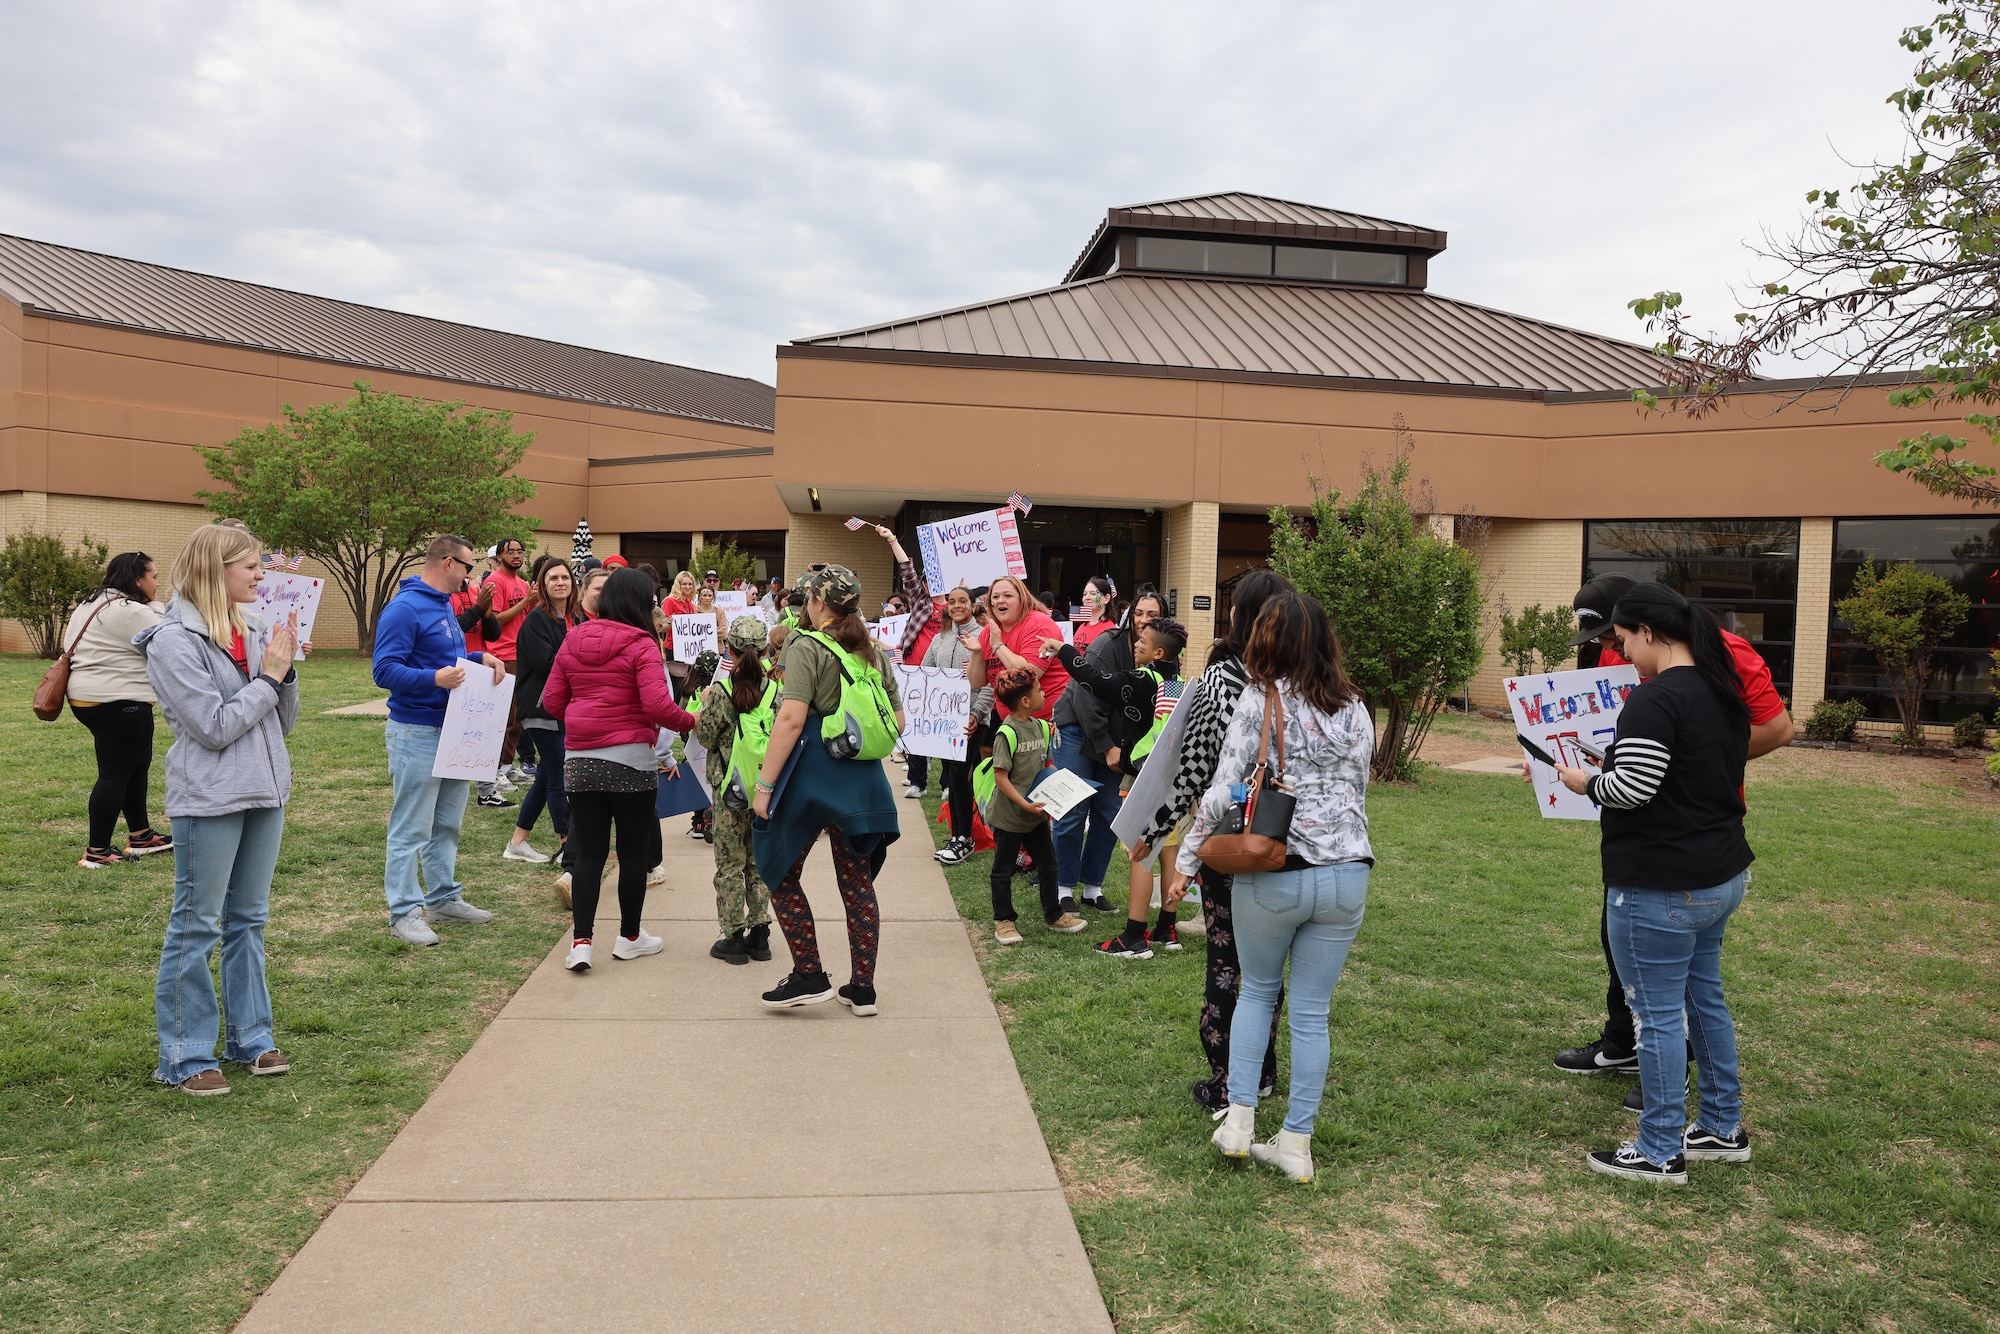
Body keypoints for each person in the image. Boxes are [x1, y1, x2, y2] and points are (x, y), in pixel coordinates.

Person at [1550, 573, 1794, 1115]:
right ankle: (1720, 1124)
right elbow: (1647, 756)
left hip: (1666, 864)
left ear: (1647, 628)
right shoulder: (1706, 683)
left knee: (1659, 1008)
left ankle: (1660, 1143)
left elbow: (1639, 781)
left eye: (1620, 641)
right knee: (1700, 997)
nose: (1616, 655)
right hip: (1714, 859)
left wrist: (1588, 781)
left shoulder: (1672, 685)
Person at [1189, 592, 1374, 1185]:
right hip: (1347, 872)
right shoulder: (1356, 708)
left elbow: (1224, 791)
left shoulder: (1257, 698)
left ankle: (1239, 1119)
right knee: (1313, 1013)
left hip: (1277, 869)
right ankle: (1296, 1141)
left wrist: (1189, 855)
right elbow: (1359, 785)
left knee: (1258, 992)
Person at [135, 524, 301, 1096]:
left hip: (265, 792)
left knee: (248, 921)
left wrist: (287, 668)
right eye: (251, 567)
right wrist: (270, 678)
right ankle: (185, 1054)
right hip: (209, 798)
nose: (262, 576)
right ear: (216, 569)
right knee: (196, 924)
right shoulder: (172, 640)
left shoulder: (250, 628)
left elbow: (280, 722)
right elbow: (214, 727)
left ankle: (251, 1039)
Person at [1134, 568, 1292, 1112]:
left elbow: (1192, 772)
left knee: (1227, 962)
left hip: (1229, 843)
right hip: (1288, 844)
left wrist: (1152, 834)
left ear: (1240, 616)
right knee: (1267, 966)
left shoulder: (1223, 681)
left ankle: (1228, 1077)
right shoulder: (1302, 681)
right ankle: (1264, 1070)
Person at [751, 564, 904, 1014]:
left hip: (813, 779)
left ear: (817, 602)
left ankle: (809, 973)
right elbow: (899, 721)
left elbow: (791, 718)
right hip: (863, 784)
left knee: (778, 870)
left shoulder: (805, 645)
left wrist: (764, 786)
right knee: (857, 885)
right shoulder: (871, 649)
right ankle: (863, 989)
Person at [541, 568, 698, 971]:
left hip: (580, 762)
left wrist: (584, 715)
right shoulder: (641, 643)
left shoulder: (573, 637)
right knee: (632, 855)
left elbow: (552, 702)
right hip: (631, 763)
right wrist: (694, 721)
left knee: (589, 854)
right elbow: (658, 707)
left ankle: (581, 943)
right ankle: (630, 937)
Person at [371, 534, 506, 947]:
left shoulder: (445, 605)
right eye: (468, 568)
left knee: (446, 823)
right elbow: (384, 671)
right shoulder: (405, 608)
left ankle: (443, 898)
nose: (472, 577)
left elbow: (440, 658)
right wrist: (434, 679)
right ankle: (404, 912)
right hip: (417, 731)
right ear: (448, 563)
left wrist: (475, 659)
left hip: (451, 731)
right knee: (411, 827)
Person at [1044, 615, 1190, 957]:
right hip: (1173, 778)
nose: (1135, 643)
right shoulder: (1176, 683)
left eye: (1143, 640)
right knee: (1169, 849)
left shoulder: (1142, 680)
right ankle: (1167, 928)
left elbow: (1094, 680)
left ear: (1157, 653)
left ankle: (1134, 935)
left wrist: (1063, 649)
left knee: (1141, 850)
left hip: (1145, 777)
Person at [1049, 589, 1165, 914]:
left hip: (1118, 743)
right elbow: (1086, 697)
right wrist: (1107, 747)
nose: (1144, 620)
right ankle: (1062, 888)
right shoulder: (1107, 645)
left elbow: (1161, 708)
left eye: (1152, 615)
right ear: (1130, 615)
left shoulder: (1162, 655)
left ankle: (1092, 888)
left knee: (1109, 814)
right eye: (1139, 612)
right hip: (1078, 728)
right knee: (1073, 809)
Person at [62, 551, 171, 867]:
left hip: (91, 699)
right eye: (154, 576)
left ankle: (141, 836)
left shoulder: (92, 602)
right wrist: (156, 605)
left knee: (134, 767)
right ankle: (97, 851)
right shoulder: (128, 610)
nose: (158, 582)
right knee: (115, 775)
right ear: (138, 579)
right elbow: (168, 636)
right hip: (118, 700)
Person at [695, 616, 779, 964]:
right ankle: (761, 933)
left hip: (729, 789)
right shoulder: (776, 691)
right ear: (765, 651)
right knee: (758, 863)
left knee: (729, 865)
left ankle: (733, 936)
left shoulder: (720, 692)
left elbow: (706, 738)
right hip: (765, 789)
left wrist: (703, 707)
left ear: (728, 650)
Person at [983, 667, 1087, 945]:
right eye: (1039, 691)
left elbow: (1046, 763)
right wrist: (1025, 805)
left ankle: (1054, 914)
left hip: (1036, 817)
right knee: (1003, 869)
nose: (1044, 694)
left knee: (1049, 865)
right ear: (1025, 701)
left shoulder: (1041, 726)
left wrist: (1059, 791)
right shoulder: (1006, 733)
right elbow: (1000, 777)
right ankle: (1004, 920)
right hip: (1010, 817)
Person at [506, 558, 581, 865]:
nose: (560, 582)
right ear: (542, 585)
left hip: (567, 708)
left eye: (565, 577)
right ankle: (566, 841)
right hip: (541, 708)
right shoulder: (536, 620)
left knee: (547, 774)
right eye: (553, 578)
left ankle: (517, 841)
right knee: (557, 775)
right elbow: (549, 666)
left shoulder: (576, 618)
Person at [866, 522, 943, 797]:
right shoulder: (923, 604)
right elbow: (907, 573)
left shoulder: (960, 608)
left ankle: (946, 783)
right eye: (927, 580)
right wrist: (892, 540)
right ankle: (917, 781)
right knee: (918, 728)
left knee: (944, 725)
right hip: (914, 672)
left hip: (945, 675)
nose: (931, 584)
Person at [923, 586, 991, 866]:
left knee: (961, 773)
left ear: (973, 605)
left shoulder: (982, 636)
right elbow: (926, 673)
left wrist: (976, 713)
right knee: (952, 776)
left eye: (963, 601)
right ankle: (957, 835)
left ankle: (965, 838)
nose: (957, 605)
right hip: (945, 723)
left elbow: (990, 680)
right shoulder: (939, 639)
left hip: (973, 721)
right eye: (952, 601)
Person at [661, 569, 701, 695]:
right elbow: (661, 627)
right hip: (673, 648)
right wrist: (670, 622)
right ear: (678, 585)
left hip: (688, 650)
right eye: (684, 584)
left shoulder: (690, 604)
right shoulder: (670, 600)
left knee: (687, 683)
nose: (688, 587)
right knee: (676, 685)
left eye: (690, 584)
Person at [1072, 575, 1123, 652]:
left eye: (1093, 594)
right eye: (1085, 594)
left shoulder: (1111, 631)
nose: (1087, 598)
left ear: (1106, 598)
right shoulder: (1082, 626)